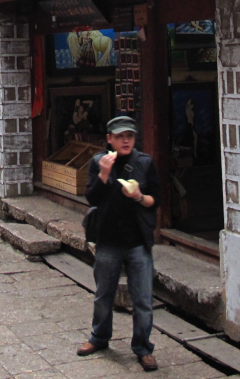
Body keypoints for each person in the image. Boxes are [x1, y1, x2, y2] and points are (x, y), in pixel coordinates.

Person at [77, 116, 160, 372]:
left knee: (143, 300)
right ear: (110, 139)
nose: (126, 141)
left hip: (137, 242)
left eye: (130, 136)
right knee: (103, 296)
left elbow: (154, 201)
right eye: (120, 136)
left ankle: (143, 347)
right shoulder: (98, 162)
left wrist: (139, 196)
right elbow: (92, 197)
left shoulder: (144, 163)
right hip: (108, 241)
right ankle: (99, 338)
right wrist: (103, 174)